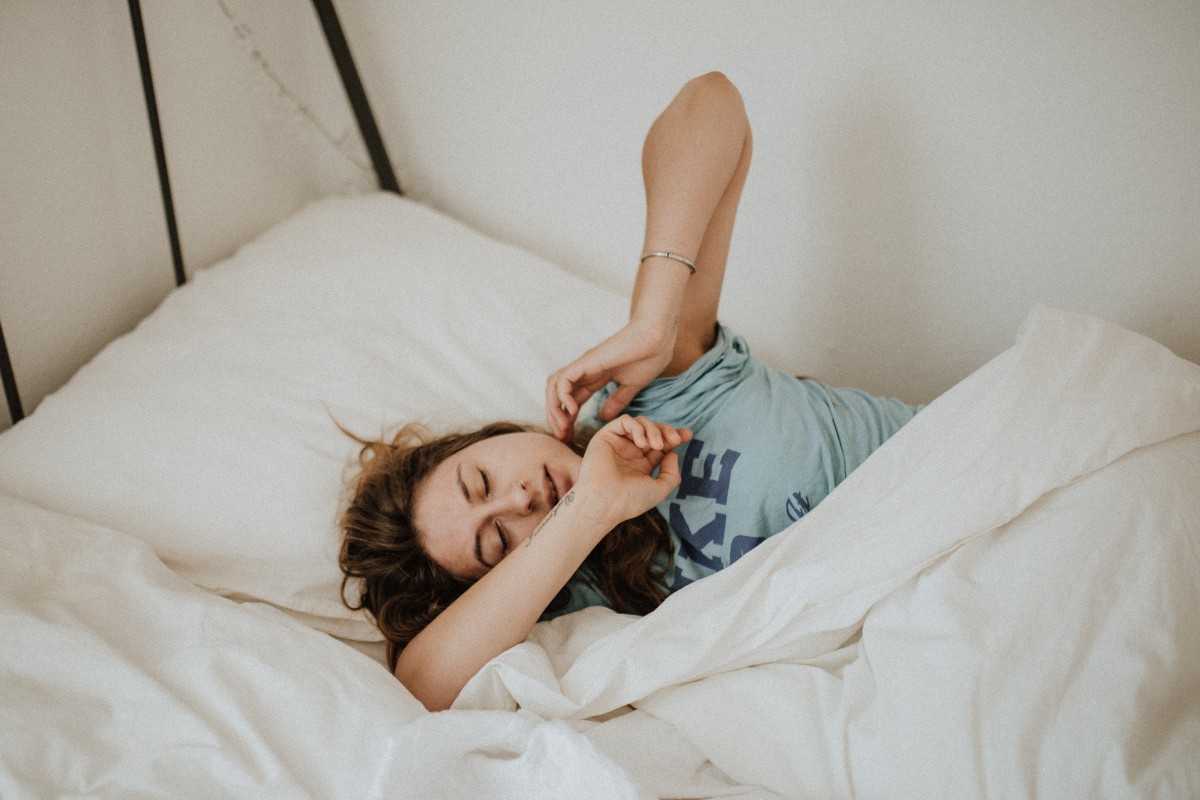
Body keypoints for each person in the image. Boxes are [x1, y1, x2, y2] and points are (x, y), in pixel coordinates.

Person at [339, 72, 921, 712]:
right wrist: (588, 509)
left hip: (955, 478)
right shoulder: (587, 603)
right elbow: (423, 686)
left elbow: (713, 104)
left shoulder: (658, 393)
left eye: (482, 481)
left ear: (493, 438)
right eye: (499, 540)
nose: (520, 498)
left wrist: (653, 319)